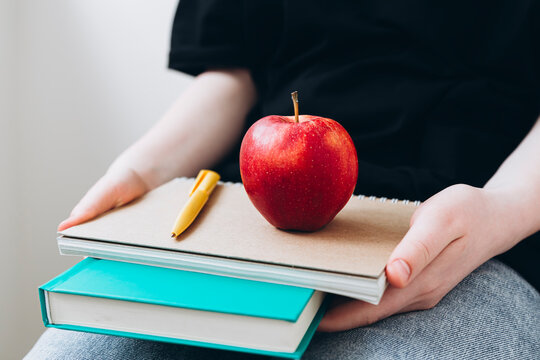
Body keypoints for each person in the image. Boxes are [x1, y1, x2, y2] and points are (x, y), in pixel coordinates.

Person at [26, 1, 539, 359]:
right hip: (247, 216)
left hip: (467, 226)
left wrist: (504, 209)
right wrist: (141, 170)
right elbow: (234, 72)